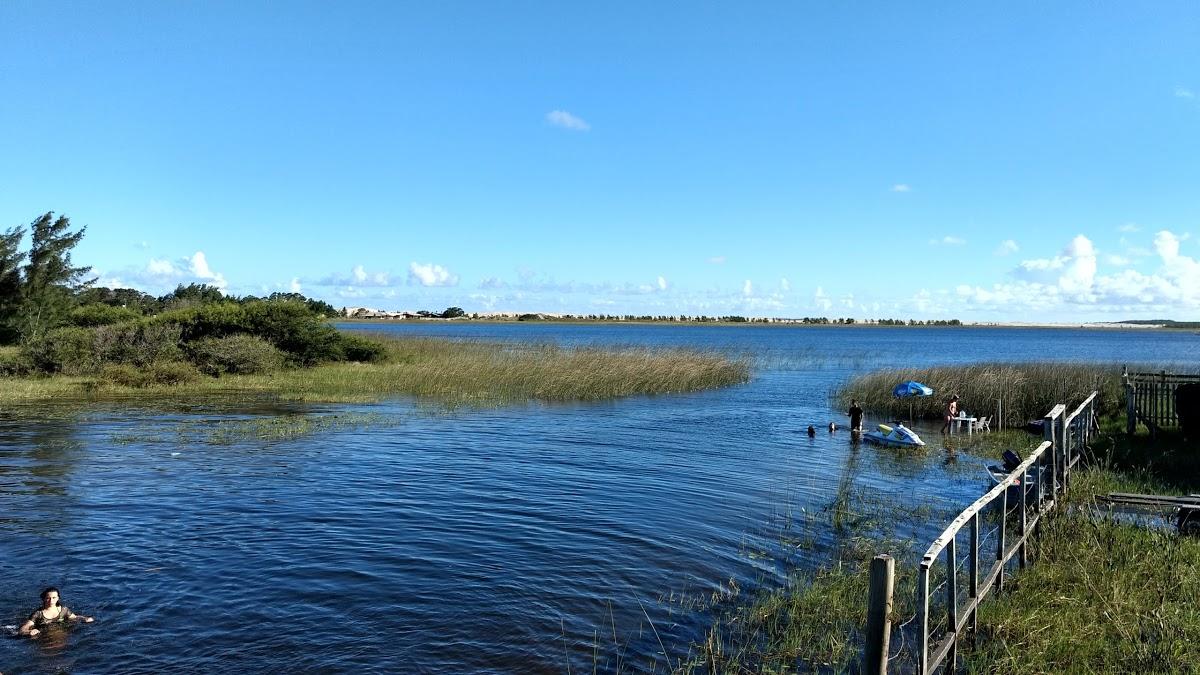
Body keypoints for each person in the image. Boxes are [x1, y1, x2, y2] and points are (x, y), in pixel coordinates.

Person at [18, 587, 93, 638]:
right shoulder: (38, 614)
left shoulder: (63, 610)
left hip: (62, 636)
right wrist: (29, 632)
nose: (51, 601)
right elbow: (23, 628)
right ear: (44, 599)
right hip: (45, 637)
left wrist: (84, 618)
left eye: (54, 598)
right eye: (48, 598)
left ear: (58, 598)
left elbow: (75, 617)